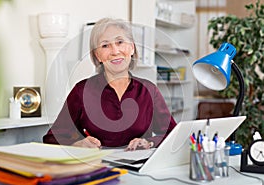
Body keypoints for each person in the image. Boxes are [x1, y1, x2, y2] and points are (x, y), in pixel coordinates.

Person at [43, 18, 177, 150]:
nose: (115, 51)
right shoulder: (82, 90)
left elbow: (172, 133)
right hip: (96, 167)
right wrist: (78, 144)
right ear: (98, 56)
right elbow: (51, 138)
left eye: (120, 42)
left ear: (131, 48)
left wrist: (149, 142)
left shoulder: (149, 90)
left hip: (139, 168)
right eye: (105, 45)